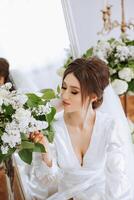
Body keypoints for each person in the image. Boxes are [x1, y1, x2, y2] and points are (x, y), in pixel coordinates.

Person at [28, 57, 134, 200]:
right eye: (64, 87)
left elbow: (118, 178)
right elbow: (47, 182)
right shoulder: (53, 128)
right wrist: (46, 154)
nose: (64, 95)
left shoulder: (109, 127)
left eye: (74, 92)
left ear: (93, 96)